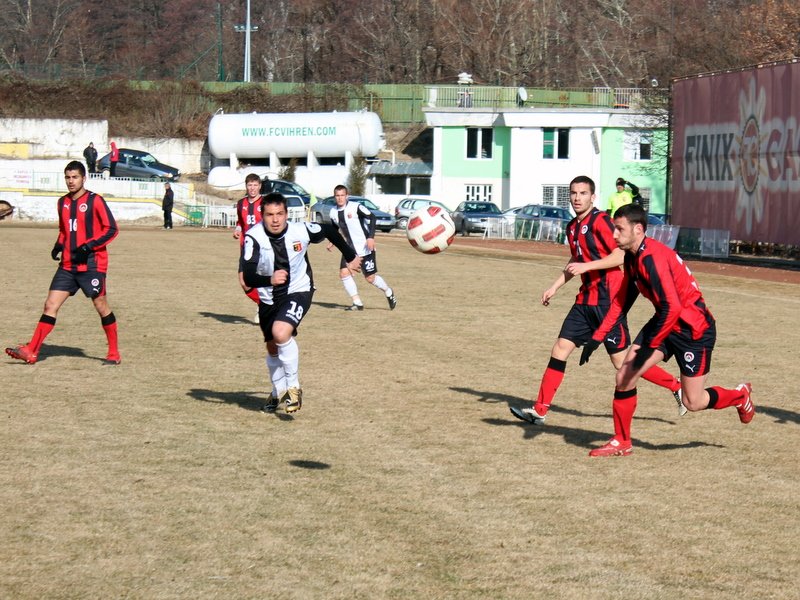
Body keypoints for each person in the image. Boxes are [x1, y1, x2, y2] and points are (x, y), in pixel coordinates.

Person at [580, 203, 754, 457]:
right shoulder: (632, 256)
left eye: (619, 229)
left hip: (693, 330)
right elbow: (622, 300)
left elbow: (673, 307)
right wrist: (597, 337)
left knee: (693, 402)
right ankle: (622, 441)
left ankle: (739, 396)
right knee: (625, 377)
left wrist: (650, 346)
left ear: (638, 229)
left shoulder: (653, 259)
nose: (614, 235)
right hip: (664, 322)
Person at [510, 175, 684, 427]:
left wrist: (587, 266)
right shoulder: (571, 227)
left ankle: (675, 386)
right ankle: (539, 411)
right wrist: (554, 287)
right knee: (559, 350)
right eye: (573, 193)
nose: (577, 198)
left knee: (621, 362)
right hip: (584, 303)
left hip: (608, 302)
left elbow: (619, 257)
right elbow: (575, 264)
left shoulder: (602, 221)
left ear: (593, 197)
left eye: (582, 193)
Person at [242, 192, 362, 413]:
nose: (275, 220)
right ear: (262, 215)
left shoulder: (301, 230)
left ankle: (294, 388)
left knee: (280, 333)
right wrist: (269, 279)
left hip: (299, 290)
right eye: (270, 215)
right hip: (269, 298)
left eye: (280, 214)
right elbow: (248, 276)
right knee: (272, 347)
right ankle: (278, 391)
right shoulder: (254, 237)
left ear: (287, 214)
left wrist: (350, 254)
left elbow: (327, 230)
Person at [5, 161, 121, 365]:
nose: (71, 181)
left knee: (101, 305)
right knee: (50, 305)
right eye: (67, 177)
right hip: (67, 266)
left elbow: (111, 229)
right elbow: (64, 229)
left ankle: (113, 353)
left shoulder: (95, 201)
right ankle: (32, 351)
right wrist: (58, 245)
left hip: (92, 265)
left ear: (84, 178)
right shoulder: (62, 203)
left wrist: (89, 246)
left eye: (75, 177)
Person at [328, 184, 397, 311]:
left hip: (365, 247)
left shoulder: (356, 207)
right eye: (337, 196)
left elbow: (372, 217)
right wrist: (333, 240)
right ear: (334, 197)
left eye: (342, 195)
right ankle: (357, 303)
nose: (340, 198)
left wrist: (371, 237)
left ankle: (388, 291)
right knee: (343, 273)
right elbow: (334, 228)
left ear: (347, 196)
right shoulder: (333, 212)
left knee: (370, 278)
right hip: (349, 249)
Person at [233, 173, 265, 315]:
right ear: (246, 186)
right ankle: (262, 304)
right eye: (250, 185)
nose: (252, 188)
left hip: (263, 248)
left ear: (260, 186)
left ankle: (268, 307)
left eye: (255, 185)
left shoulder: (265, 203)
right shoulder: (241, 204)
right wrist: (238, 229)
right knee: (243, 281)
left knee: (264, 280)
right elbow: (241, 222)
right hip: (245, 247)